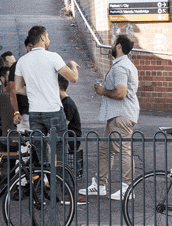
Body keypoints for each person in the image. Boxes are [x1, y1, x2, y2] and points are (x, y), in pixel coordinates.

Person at [13, 25, 79, 170]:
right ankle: (62, 182)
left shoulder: (22, 61)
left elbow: (18, 88)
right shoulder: (53, 57)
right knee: (60, 150)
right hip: (53, 111)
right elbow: (73, 78)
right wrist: (73, 65)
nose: (49, 40)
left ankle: (44, 179)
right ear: (42, 38)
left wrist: (34, 91)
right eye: (48, 37)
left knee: (41, 152)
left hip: (35, 113)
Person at [82, 33, 139, 200]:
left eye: (114, 43)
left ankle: (127, 189)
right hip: (117, 115)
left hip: (121, 115)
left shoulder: (121, 67)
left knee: (124, 151)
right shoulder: (124, 65)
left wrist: (102, 91)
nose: (111, 46)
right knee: (106, 151)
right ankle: (100, 185)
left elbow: (121, 93)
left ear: (119, 46)